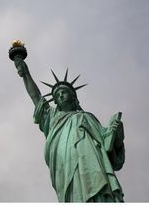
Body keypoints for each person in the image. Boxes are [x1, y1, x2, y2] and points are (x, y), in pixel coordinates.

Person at [14, 57, 125, 202]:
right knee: (73, 194)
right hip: (63, 164)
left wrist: (117, 135)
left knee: (98, 189)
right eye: (57, 95)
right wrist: (25, 74)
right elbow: (36, 97)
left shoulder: (87, 117)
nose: (60, 95)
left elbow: (109, 148)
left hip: (91, 161)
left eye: (64, 92)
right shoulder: (52, 117)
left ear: (74, 97)